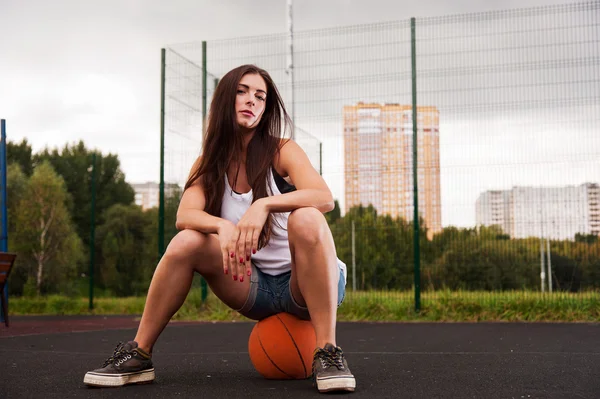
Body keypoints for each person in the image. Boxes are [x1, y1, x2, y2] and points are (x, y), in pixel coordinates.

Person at [83, 64, 356, 393]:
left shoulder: (281, 150)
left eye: (260, 96)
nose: (251, 100)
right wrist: (221, 226)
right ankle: (139, 354)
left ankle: (328, 351)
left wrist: (263, 204)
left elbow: (324, 197)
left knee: (307, 217)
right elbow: (185, 215)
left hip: (306, 285)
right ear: (225, 99)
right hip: (255, 287)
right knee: (187, 241)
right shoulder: (208, 163)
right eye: (242, 91)